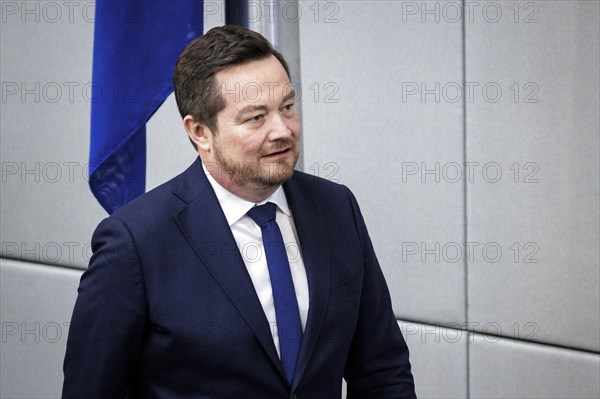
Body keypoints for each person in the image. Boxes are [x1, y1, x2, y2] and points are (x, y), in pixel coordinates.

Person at [62, 25, 416, 398]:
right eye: (256, 117)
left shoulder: (336, 207)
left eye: (287, 107)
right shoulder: (135, 243)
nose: (282, 130)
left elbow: (382, 370)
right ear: (200, 132)